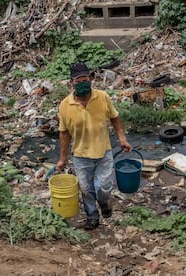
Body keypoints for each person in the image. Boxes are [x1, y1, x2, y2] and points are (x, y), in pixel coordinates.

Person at [56, 61, 132, 230]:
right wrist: (62, 159)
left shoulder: (102, 97)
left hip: (103, 152)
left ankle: (104, 202)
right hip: (81, 155)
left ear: (90, 79)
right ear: (71, 83)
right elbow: (64, 133)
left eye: (84, 79)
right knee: (86, 189)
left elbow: (115, 118)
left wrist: (122, 139)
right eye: (78, 80)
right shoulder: (65, 105)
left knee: (102, 187)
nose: (82, 83)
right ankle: (92, 217)